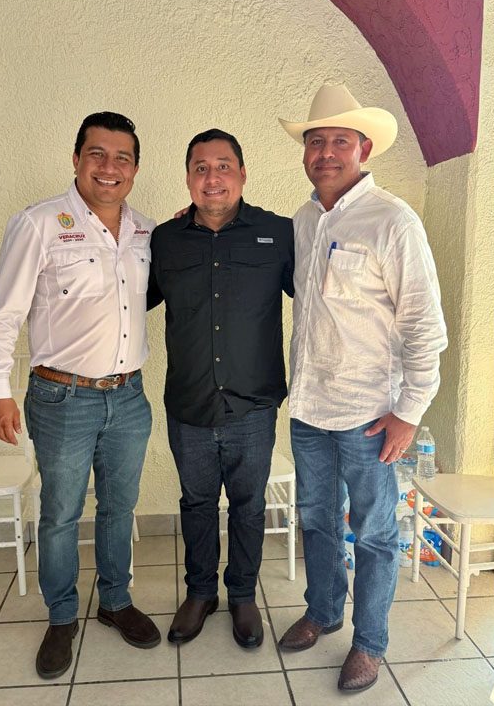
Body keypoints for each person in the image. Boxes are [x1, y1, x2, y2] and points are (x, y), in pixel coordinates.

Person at [274, 83, 448, 692]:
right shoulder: (304, 221)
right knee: (316, 520)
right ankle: (323, 611)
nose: (325, 152)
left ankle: (369, 643)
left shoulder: (394, 221)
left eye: (339, 141)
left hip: (369, 414)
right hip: (309, 409)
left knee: (373, 533)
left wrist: (410, 411)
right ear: (304, 153)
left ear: (364, 148)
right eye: (315, 142)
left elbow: (425, 325)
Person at [0, 111, 161, 680]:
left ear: (135, 168)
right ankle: (62, 615)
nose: (109, 167)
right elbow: (2, 315)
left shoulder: (147, 231)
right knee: (60, 513)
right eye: (97, 154)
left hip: (128, 398)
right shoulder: (39, 224)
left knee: (119, 506)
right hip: (62, 399)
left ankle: (115, 601)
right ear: (77, 159)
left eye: (122, 157)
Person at [146, 129, 294, 649]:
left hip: (252, 406)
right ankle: (201, 592)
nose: (213, 177)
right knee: (197, 503)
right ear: (188, 177)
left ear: (243, 174)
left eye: (224, 166)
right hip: (189, 403)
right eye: (201, 168)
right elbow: (125, 299)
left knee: (249, 505)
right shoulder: (164, 240)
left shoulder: (279, 233)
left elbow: (325, 297)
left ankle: (243, 595)